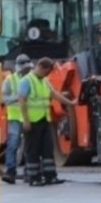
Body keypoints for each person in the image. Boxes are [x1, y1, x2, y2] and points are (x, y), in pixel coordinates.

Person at [18, 57, 77, 186]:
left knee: (47, 149)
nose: (47, 74)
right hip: (32, 122)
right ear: (41, 67)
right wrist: (26, 120)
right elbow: (21, 101)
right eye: (46, 71)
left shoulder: (45, 81)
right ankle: (34, 177)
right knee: (33, 150)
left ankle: (50, 176)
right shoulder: (26, 81)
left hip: (44, 120)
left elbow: (55, 95)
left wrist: (71, 103)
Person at [0, 54, 33, 184]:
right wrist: (18, 98)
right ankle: (11, 171)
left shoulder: (32, 79)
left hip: (29, 117)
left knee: (29, 145)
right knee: (13, 145)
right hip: (15, 117)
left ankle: (29, 171)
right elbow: (3, 98)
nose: (27, 70)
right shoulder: (10, 80)